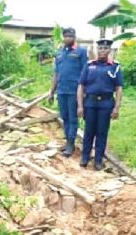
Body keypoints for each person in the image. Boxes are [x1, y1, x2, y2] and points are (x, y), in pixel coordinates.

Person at [77, 39, 123, 170]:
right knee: (88, 132)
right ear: (97, 50)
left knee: (102, 133)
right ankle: (84, 158)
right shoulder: (89, 65)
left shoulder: (115, 67)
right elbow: (81, 86)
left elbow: (119, 88)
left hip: (106, 103)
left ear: (109, 50)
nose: (102, 51)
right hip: (90, 103)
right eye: (100, 48)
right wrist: (80, 106)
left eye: (105, 48)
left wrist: (116, 108)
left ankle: (98, 160)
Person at [48, 27, 87, 157]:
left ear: (74, 37)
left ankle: (71, 143)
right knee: (64, 117)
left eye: (70, 36)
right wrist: (51, 92)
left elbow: (85, 72)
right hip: (61, 91)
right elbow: (56, 74)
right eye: (65, 36)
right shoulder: (59, 53)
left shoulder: (81, 52)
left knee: (72, 118)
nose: (67, 39)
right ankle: (68, 140)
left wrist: (84, 92)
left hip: (74, 91)